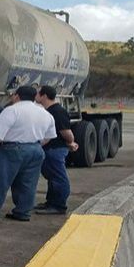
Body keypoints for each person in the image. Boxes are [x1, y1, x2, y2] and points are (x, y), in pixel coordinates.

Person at [0, 85, 55, 222]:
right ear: (34, 97)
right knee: (28, 184)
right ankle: (23, 213)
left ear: (17, 96)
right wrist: (33, 145)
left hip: (11, 150)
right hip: (35, 149)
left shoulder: (11, 111)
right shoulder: (45, 113)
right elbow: (49, 136)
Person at [34, 85, 79, 215]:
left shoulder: (57, 112)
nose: (35, 96)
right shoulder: (49, 111)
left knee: (58, 177)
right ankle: (51, 202)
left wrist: (70, 142)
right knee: (52, 177)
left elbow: (67, 132)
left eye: (37, 93)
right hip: (50, 149)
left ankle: (59, 205)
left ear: (44, 96)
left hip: (55, 149)